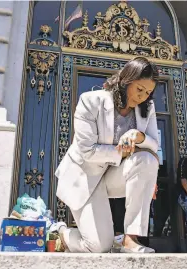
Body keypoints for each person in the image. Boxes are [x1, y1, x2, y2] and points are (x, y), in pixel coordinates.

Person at [51, 57, 160, 253]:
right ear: (126, 81)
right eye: (139, 89)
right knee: (98, 247)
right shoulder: (91, 101)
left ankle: (130, 239)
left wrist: (140, 136)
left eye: (148, 92)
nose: (143, 97)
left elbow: (154, 145)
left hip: (113, 176)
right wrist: (123, 151)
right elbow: (87, 150)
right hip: (84, 177)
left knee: (147, 159)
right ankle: (62, 233)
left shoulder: (147, 108)